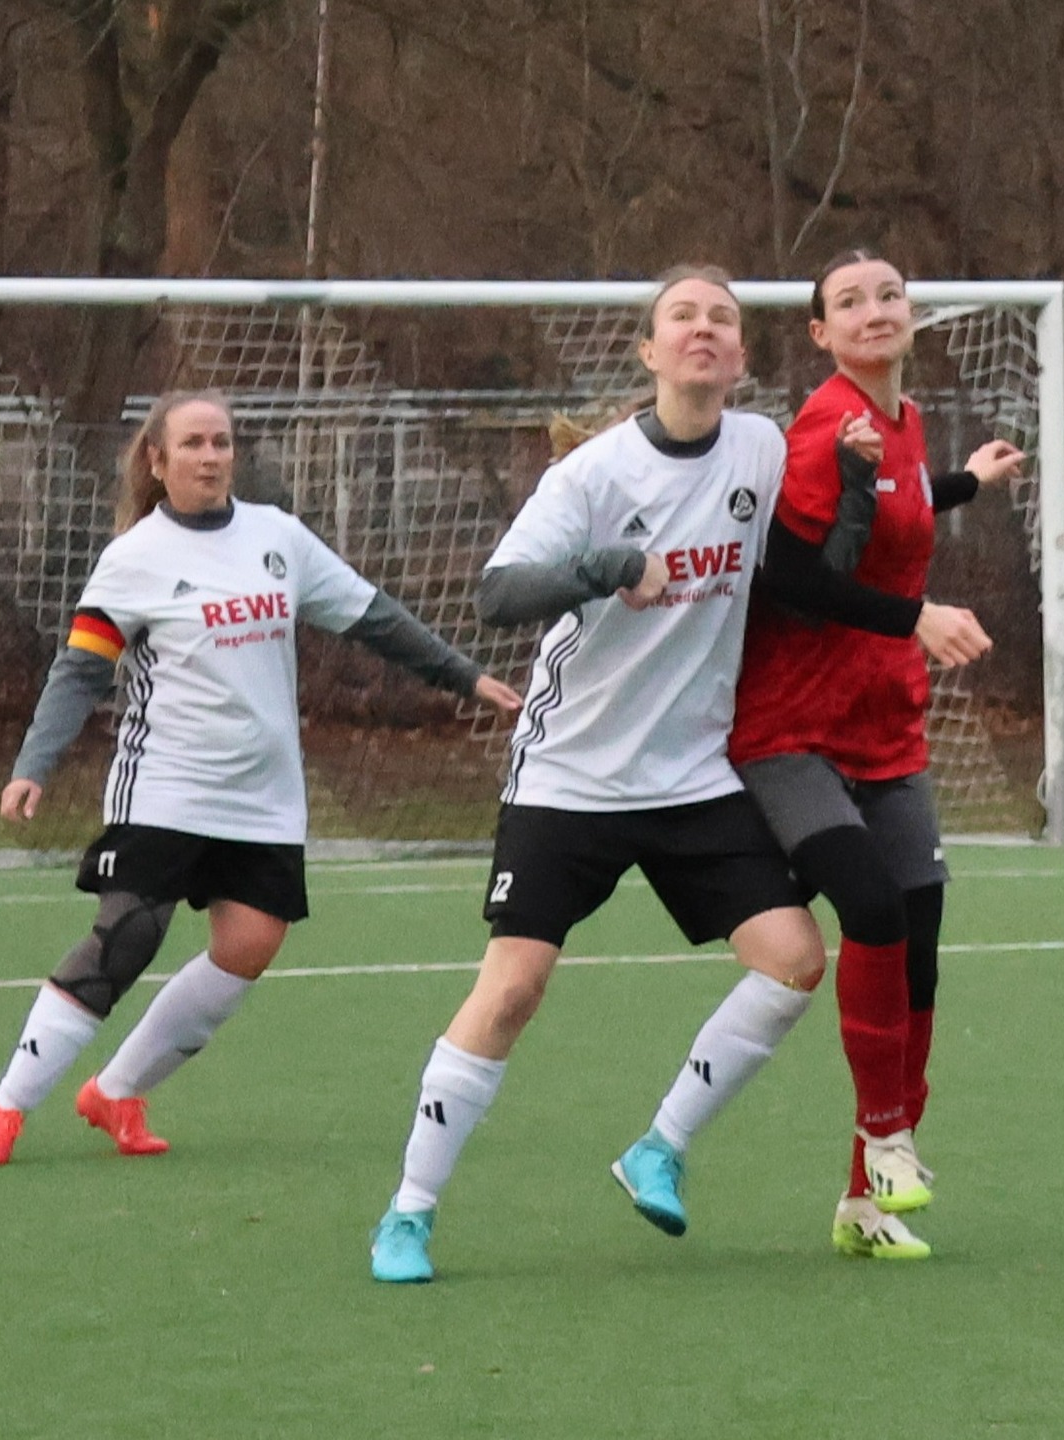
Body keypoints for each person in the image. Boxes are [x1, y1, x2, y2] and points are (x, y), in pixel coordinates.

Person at [369, 265, 827, 1284]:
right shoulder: (593, 476)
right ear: (650, 352)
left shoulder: (761, 445)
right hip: (568, 778)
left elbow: (828, 534)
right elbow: (495, 595)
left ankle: (658, 1147)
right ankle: (409, 1211)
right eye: (683, 317)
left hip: (694, 776)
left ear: (741, 356)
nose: (703, 330)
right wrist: (607, 567)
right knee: (512, 991)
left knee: (796, 959)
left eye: (722, 319)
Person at [0, 389, 522, 1166]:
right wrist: (34, 765)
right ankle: (5, 1108)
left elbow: (373, 616)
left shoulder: (277, 537)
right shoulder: (135, 558)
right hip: (166, 783)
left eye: (222, 442)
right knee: (129, 934)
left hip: (263, 795)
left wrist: (465, 677)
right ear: (158, 462)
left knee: (250, 944)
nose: (211, 456)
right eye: (193, 443)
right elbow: (81, 669)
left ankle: (117, 1092)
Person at [729, 248, 1024, 1260]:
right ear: (819, 333)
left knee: (921, 950)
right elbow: (795, 579)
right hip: (794, 728)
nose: (873, 310)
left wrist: (964, 486)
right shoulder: (823, 428)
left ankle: (866, 1197)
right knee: (871, 909)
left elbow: (896, 503)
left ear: (912, 314)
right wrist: (917, 617)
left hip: (885, 725)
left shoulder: (897, 420)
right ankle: (889, 1136)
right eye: (848, 302)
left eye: (888, 295)